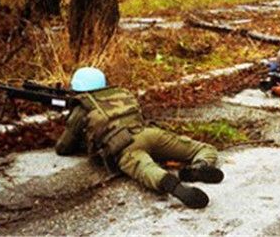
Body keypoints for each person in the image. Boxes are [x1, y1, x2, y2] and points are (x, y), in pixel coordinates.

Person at [55, 67, 224, 209]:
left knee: (146, 169)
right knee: (203, 148)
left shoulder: (82, 106)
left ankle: (176, 187)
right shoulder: (122, 93)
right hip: (148, 134)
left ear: (76, 88)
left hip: (125, 146)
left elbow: (63, 147)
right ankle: (199, 166)